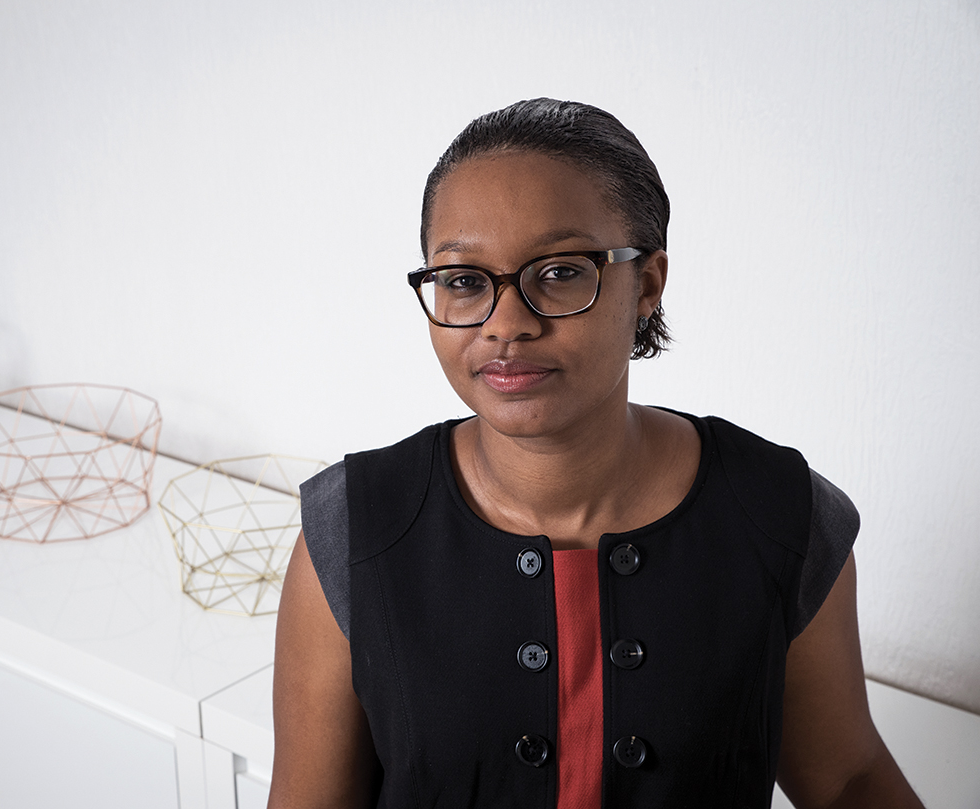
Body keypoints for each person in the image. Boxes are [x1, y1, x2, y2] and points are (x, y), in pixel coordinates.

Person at [268, 98, 923, 808]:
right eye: (463, 281)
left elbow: (848, 777)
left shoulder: (783, 515)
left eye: (559, 272)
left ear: (646, 285)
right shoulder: (353, 531)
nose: (506, 325)